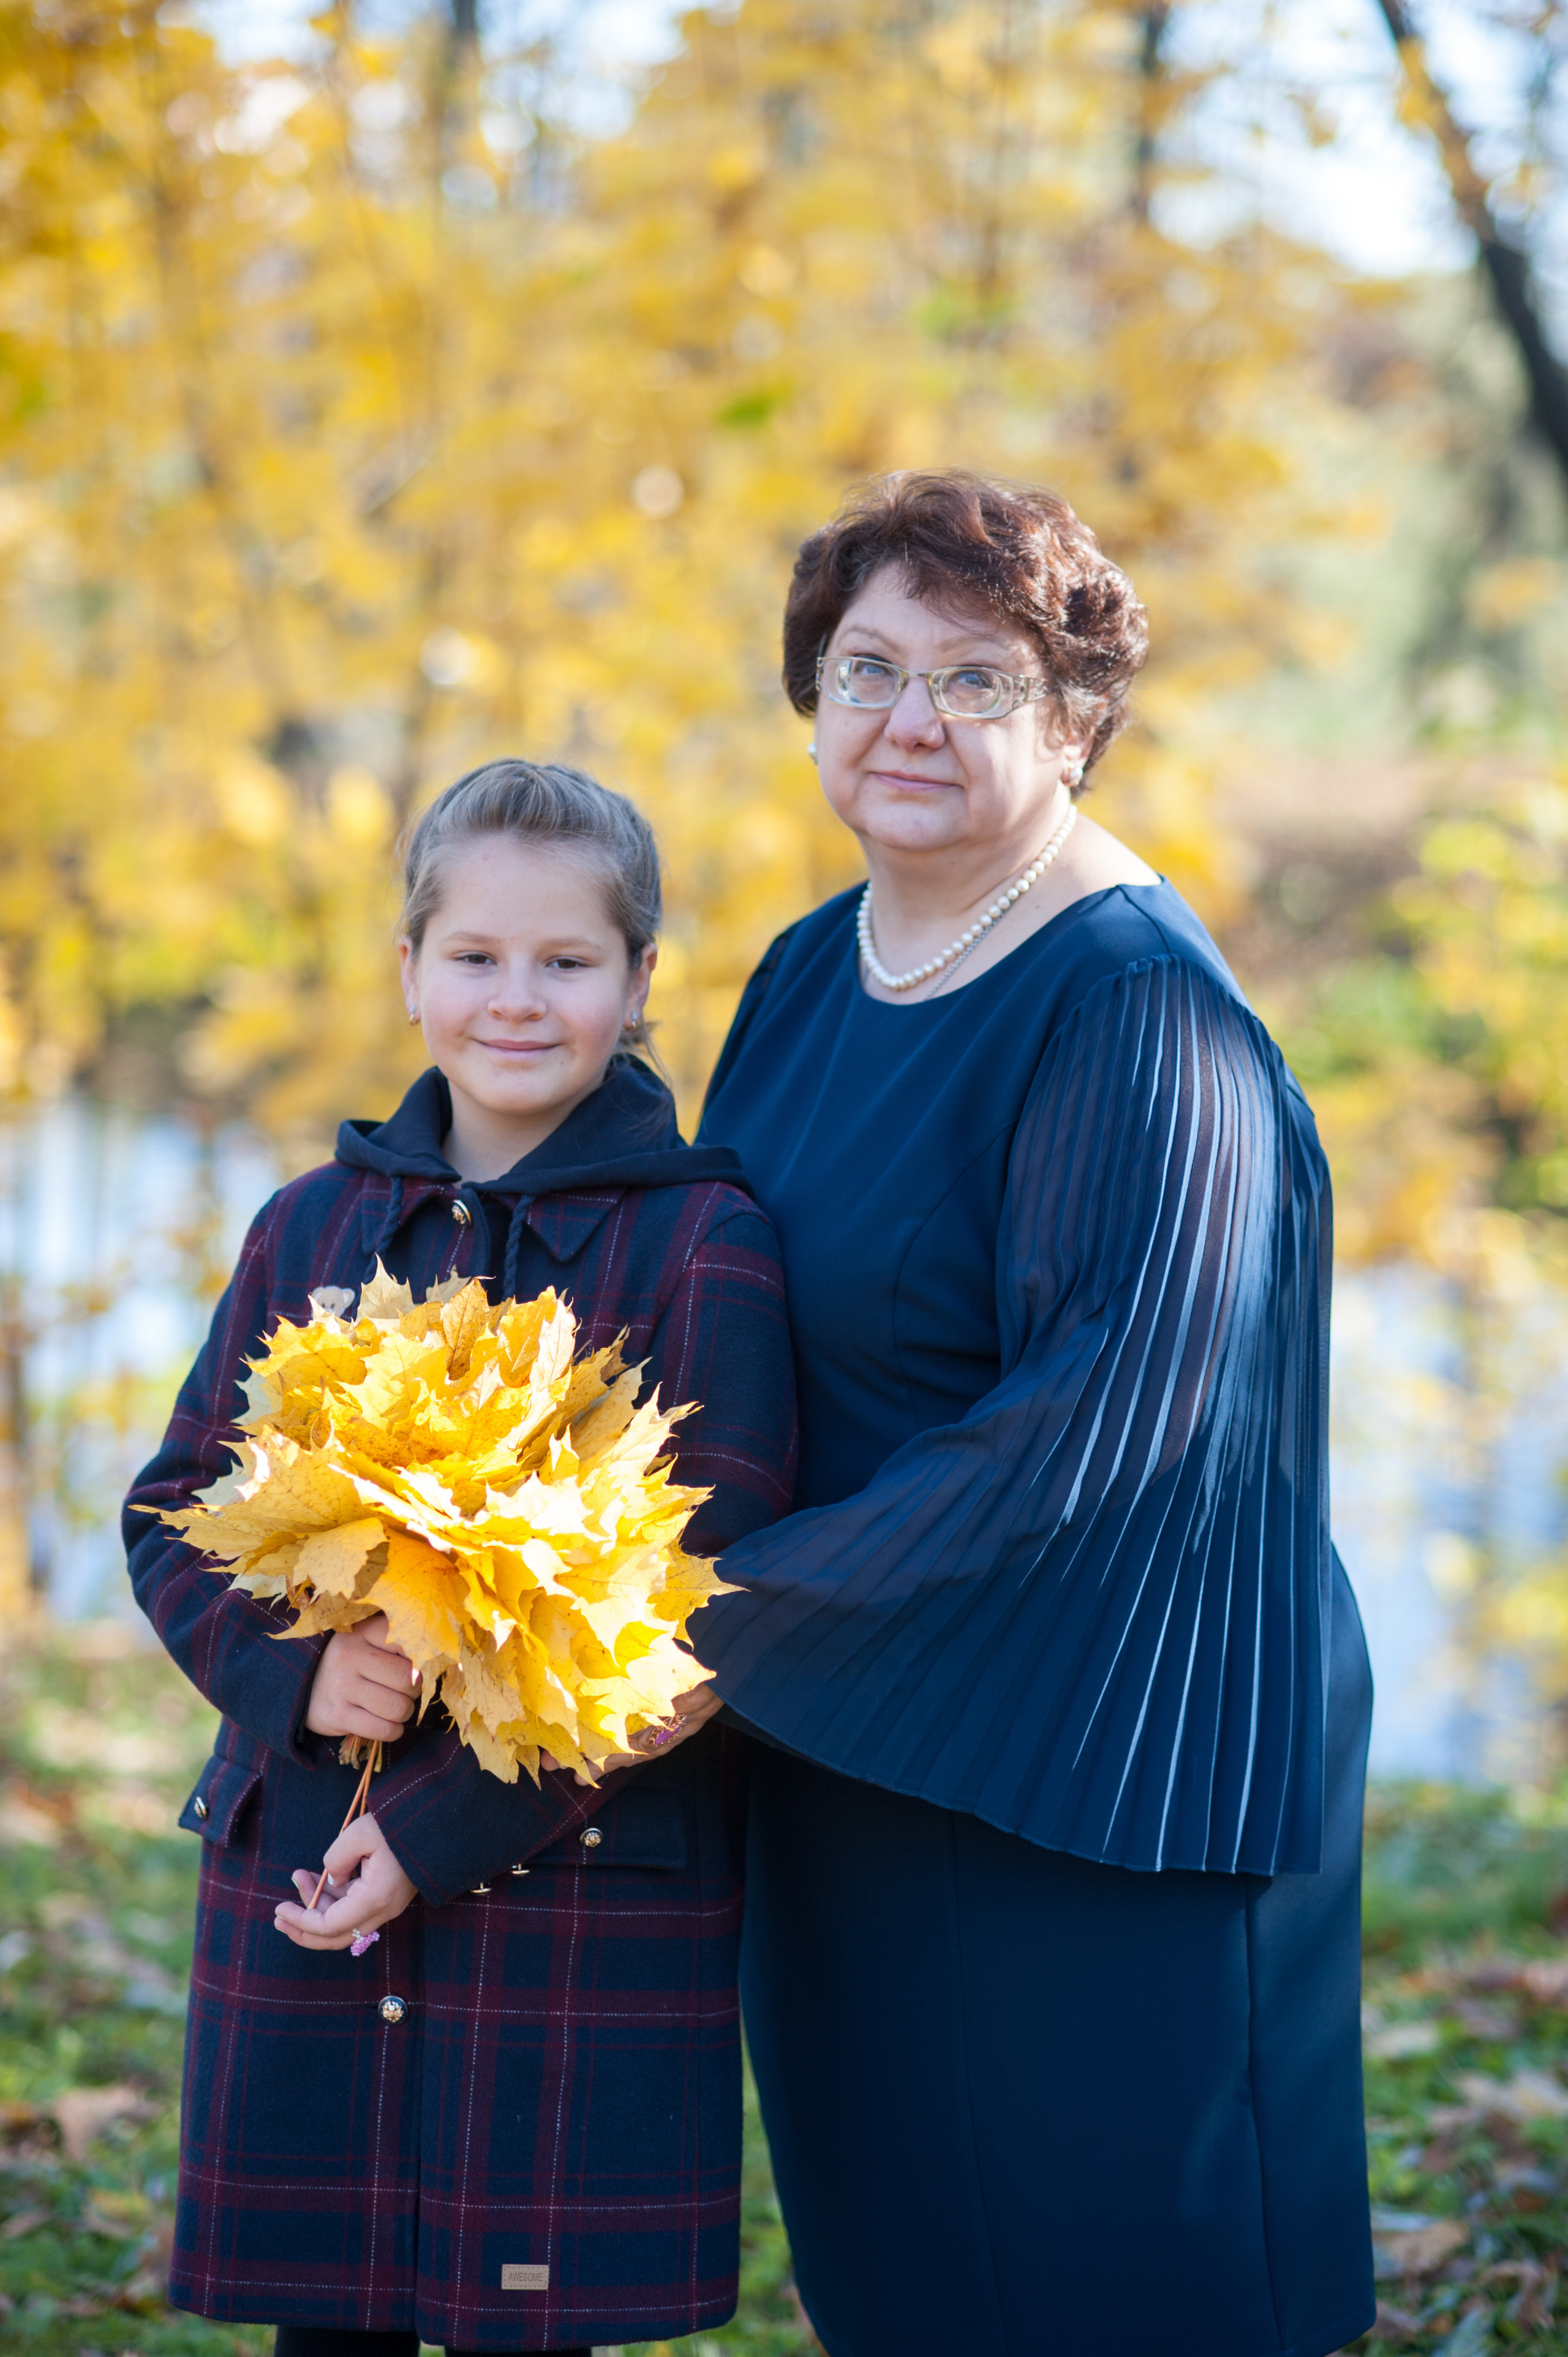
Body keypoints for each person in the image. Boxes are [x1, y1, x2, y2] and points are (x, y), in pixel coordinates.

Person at [696, 471, 1376, 2357]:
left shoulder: (1137, 1008)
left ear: (1079, 718)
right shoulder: (807, 970)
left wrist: (718, 1627)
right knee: (904, 2267)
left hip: (1097, 1746)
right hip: (847, 1706)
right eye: (868, 668)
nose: (909, 720)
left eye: (979, 680)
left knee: (1109, 2282)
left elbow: (1101, 1422)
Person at [124, 761, 796, 2357]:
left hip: (571, 1889)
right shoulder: (310, 1227)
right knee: (328, 2322)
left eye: (567, 963)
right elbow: (172, 1512)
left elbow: (701, 1628)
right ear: (407, 970)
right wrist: (296, 1675)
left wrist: (441, 1828)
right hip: (305, 1844)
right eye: (475, 958)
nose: (516, 1000)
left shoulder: (708, 1247)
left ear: (639, 984)